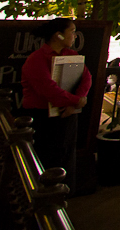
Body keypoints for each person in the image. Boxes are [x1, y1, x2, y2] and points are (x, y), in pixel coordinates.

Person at [20, 17, 91, 191]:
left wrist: (78, 99)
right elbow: (48, 90)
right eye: (72, 32)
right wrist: (77, 101)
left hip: (66, 114)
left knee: (66, 155)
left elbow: (86, 78)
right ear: (58, 35)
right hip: (42, 118)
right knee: (45, 158)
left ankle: (65, 194)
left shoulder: (71, 55)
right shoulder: (36, 59)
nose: (75, 36)